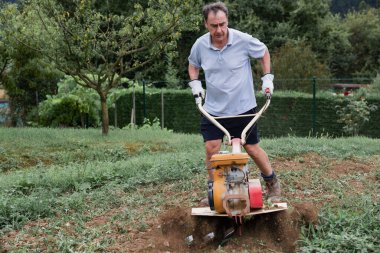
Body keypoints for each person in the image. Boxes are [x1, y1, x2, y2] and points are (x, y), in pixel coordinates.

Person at [187, 1, 281, 203]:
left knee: (252, 148)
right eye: (214, 26)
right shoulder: (200, 45)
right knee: (211, 148)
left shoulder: (242, 40)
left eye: (222, 24)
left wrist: (267, 78)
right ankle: (215, 191)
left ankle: (272, 183)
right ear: (206, 24)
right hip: (213, 109)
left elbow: (263, 52)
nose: (219, 30)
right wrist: (195, 84)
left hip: (243, 108)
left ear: (227, 21)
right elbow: (193, 65)